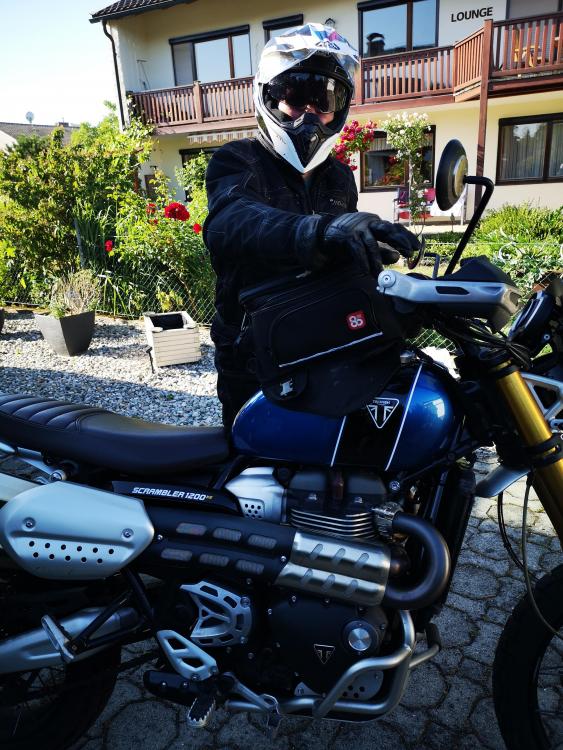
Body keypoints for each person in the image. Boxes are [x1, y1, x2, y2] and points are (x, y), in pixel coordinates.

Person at [203, 23, 420, 428]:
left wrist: (381, 267)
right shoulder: (238, 160)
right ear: (268, 95)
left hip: (325, 339)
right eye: (296, 95)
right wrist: (318, 232)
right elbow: (229, 222)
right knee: (252, 451)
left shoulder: (339, 176)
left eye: (324, 100)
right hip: (253, 350)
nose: (310, 113)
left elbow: (344, 257)